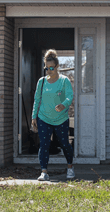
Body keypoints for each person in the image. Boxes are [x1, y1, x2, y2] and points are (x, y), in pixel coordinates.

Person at [31, 49, 75, 181]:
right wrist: (34, 117)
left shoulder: (64, 81)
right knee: (44, 145)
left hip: (61, 119)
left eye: (51, 67)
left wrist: (64, 105)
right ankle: (44, 172)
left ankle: (70, 168)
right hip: (44, 118)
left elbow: (70, 96)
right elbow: (37, 100)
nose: (48, 70)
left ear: (57, 67)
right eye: (46, 67)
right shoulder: (42, 82)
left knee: (64, 144)